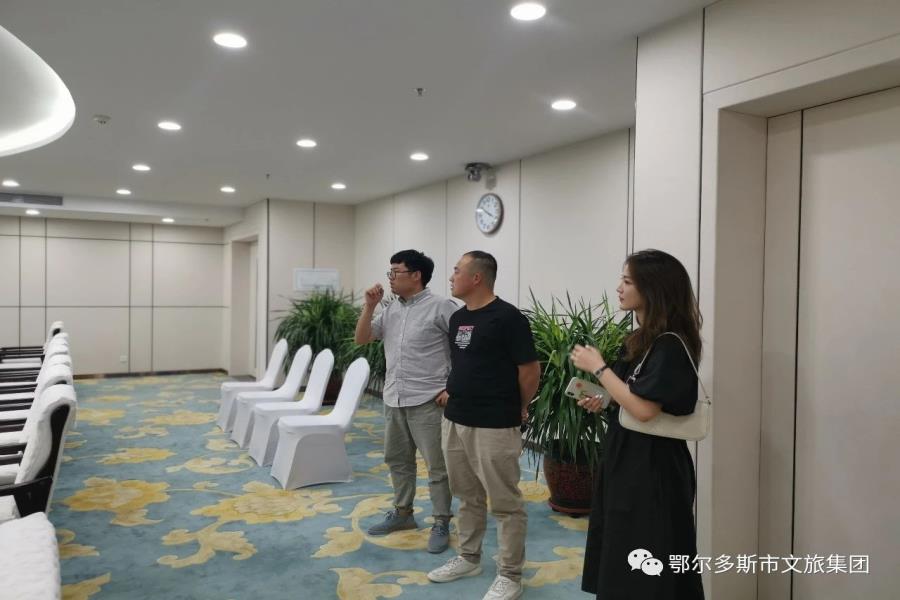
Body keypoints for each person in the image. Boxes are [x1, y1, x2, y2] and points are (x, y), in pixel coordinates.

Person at [570, 249, 705, 600]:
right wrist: (604, 398)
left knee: (647, 552)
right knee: (624, 547)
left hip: (652, 466)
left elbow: (645, 410)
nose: (619, 287)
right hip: (628, 457)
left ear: (653, 288)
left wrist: (598, 368)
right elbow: (631, 396)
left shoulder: (670, 344)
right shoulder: (642, 339)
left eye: (628, 281)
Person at [427, 251, 541, 600]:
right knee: (467, 496)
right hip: (455, 420)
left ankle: (510, 574)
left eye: (457, 271)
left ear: (476, 277)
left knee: (505, 503)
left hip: (494, 424)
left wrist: (518, 406)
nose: (451, 277)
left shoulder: (508, 318)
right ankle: (469, 557)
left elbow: (530, 371)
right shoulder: (459, 317)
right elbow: (465, 363)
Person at [355, 249, 459, 554]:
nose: (390, 278)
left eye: (395, 272)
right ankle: (403, 514)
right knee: (397, 460)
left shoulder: (442, 307)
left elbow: (466, 350)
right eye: (389, 272)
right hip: (394, 398)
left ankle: (441, 521)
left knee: (437, 466)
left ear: (416, 275)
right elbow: (362, 338)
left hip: (429, 400)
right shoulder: (391, 309)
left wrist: (453, 387)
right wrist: (369, 306)